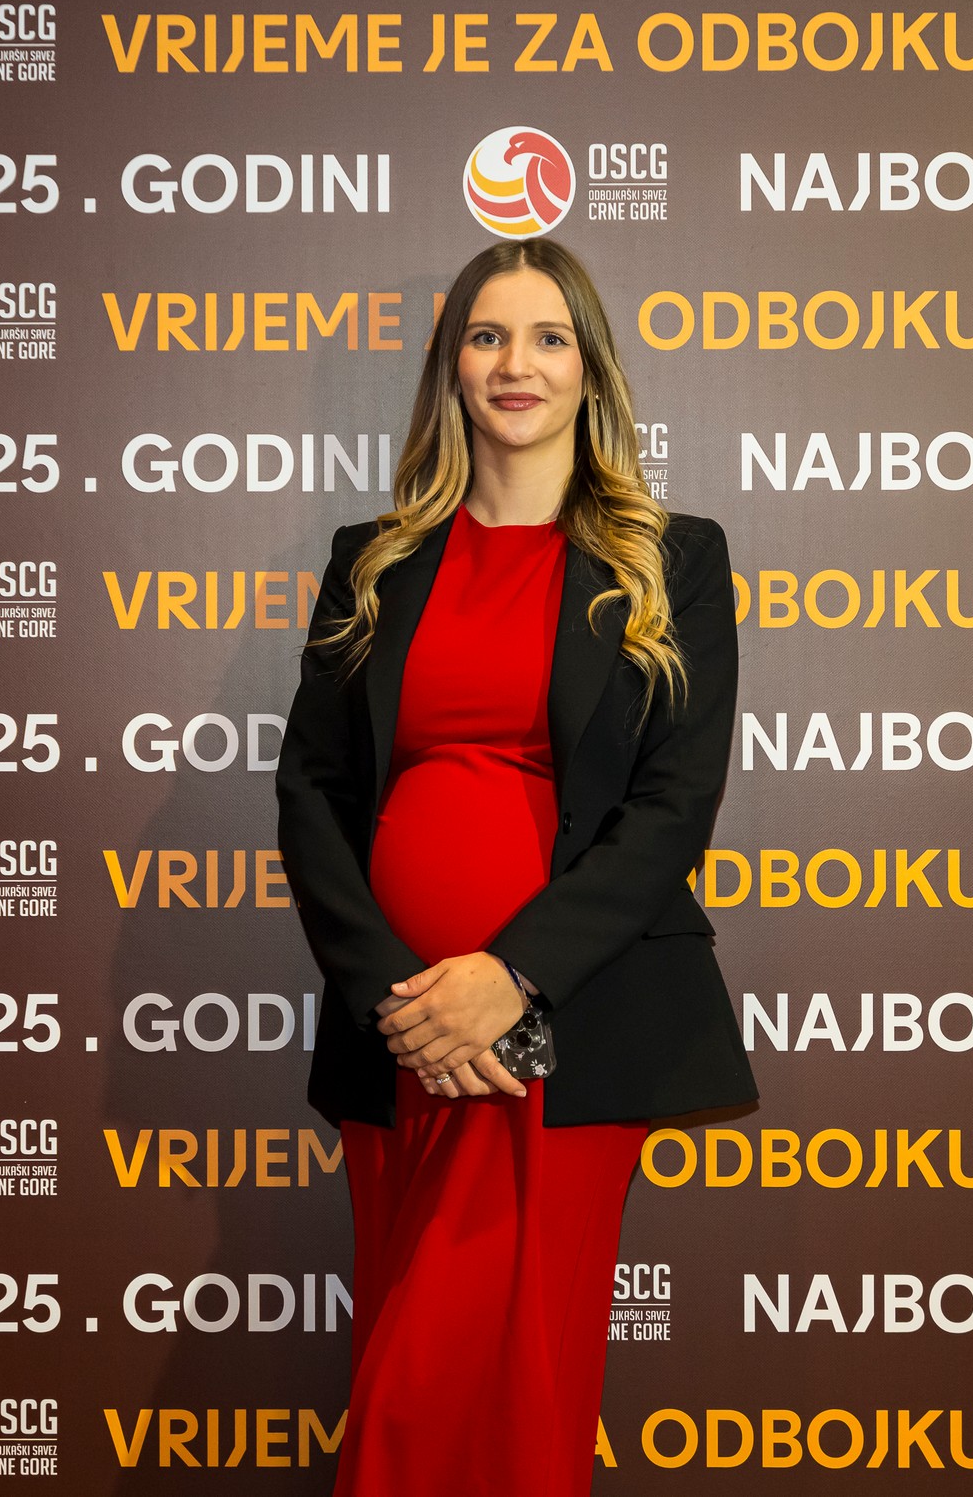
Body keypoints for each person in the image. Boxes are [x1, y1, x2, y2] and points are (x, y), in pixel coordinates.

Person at [276, 239, 756, 1497]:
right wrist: (399, 1001)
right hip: (400, 1041)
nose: (515, 363)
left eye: (549, 337)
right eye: (487, 336)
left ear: (590, 369)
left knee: (504, 1363)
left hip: (565, 1029)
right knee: (409, 1346)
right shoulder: (373, 561)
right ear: (452, 368)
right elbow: (311, 792)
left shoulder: (674, 559)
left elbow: (673, 808)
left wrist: (510, 978)